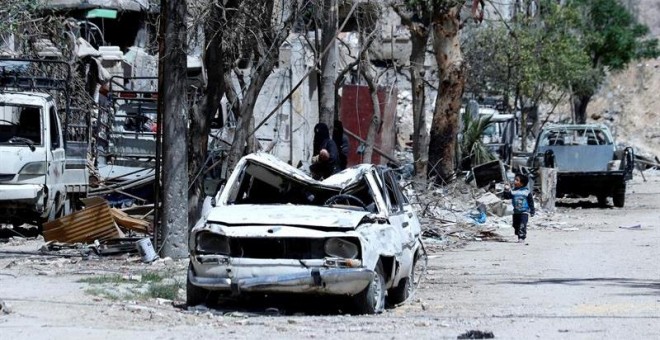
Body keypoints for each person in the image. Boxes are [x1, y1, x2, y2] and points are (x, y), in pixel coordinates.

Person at [502, 174, 535, 243]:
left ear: (522, 183)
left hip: (524, 212)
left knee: (523, 224)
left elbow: (531, 202)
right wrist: (506, 190)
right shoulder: (513, 191)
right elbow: (506, 197)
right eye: (515, 179)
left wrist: (532, 210)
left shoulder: (527, 192)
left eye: (517, 180)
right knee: (515, 225)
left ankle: (522, 237)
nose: (515, 181)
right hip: (516, 212)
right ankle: (518, 233)